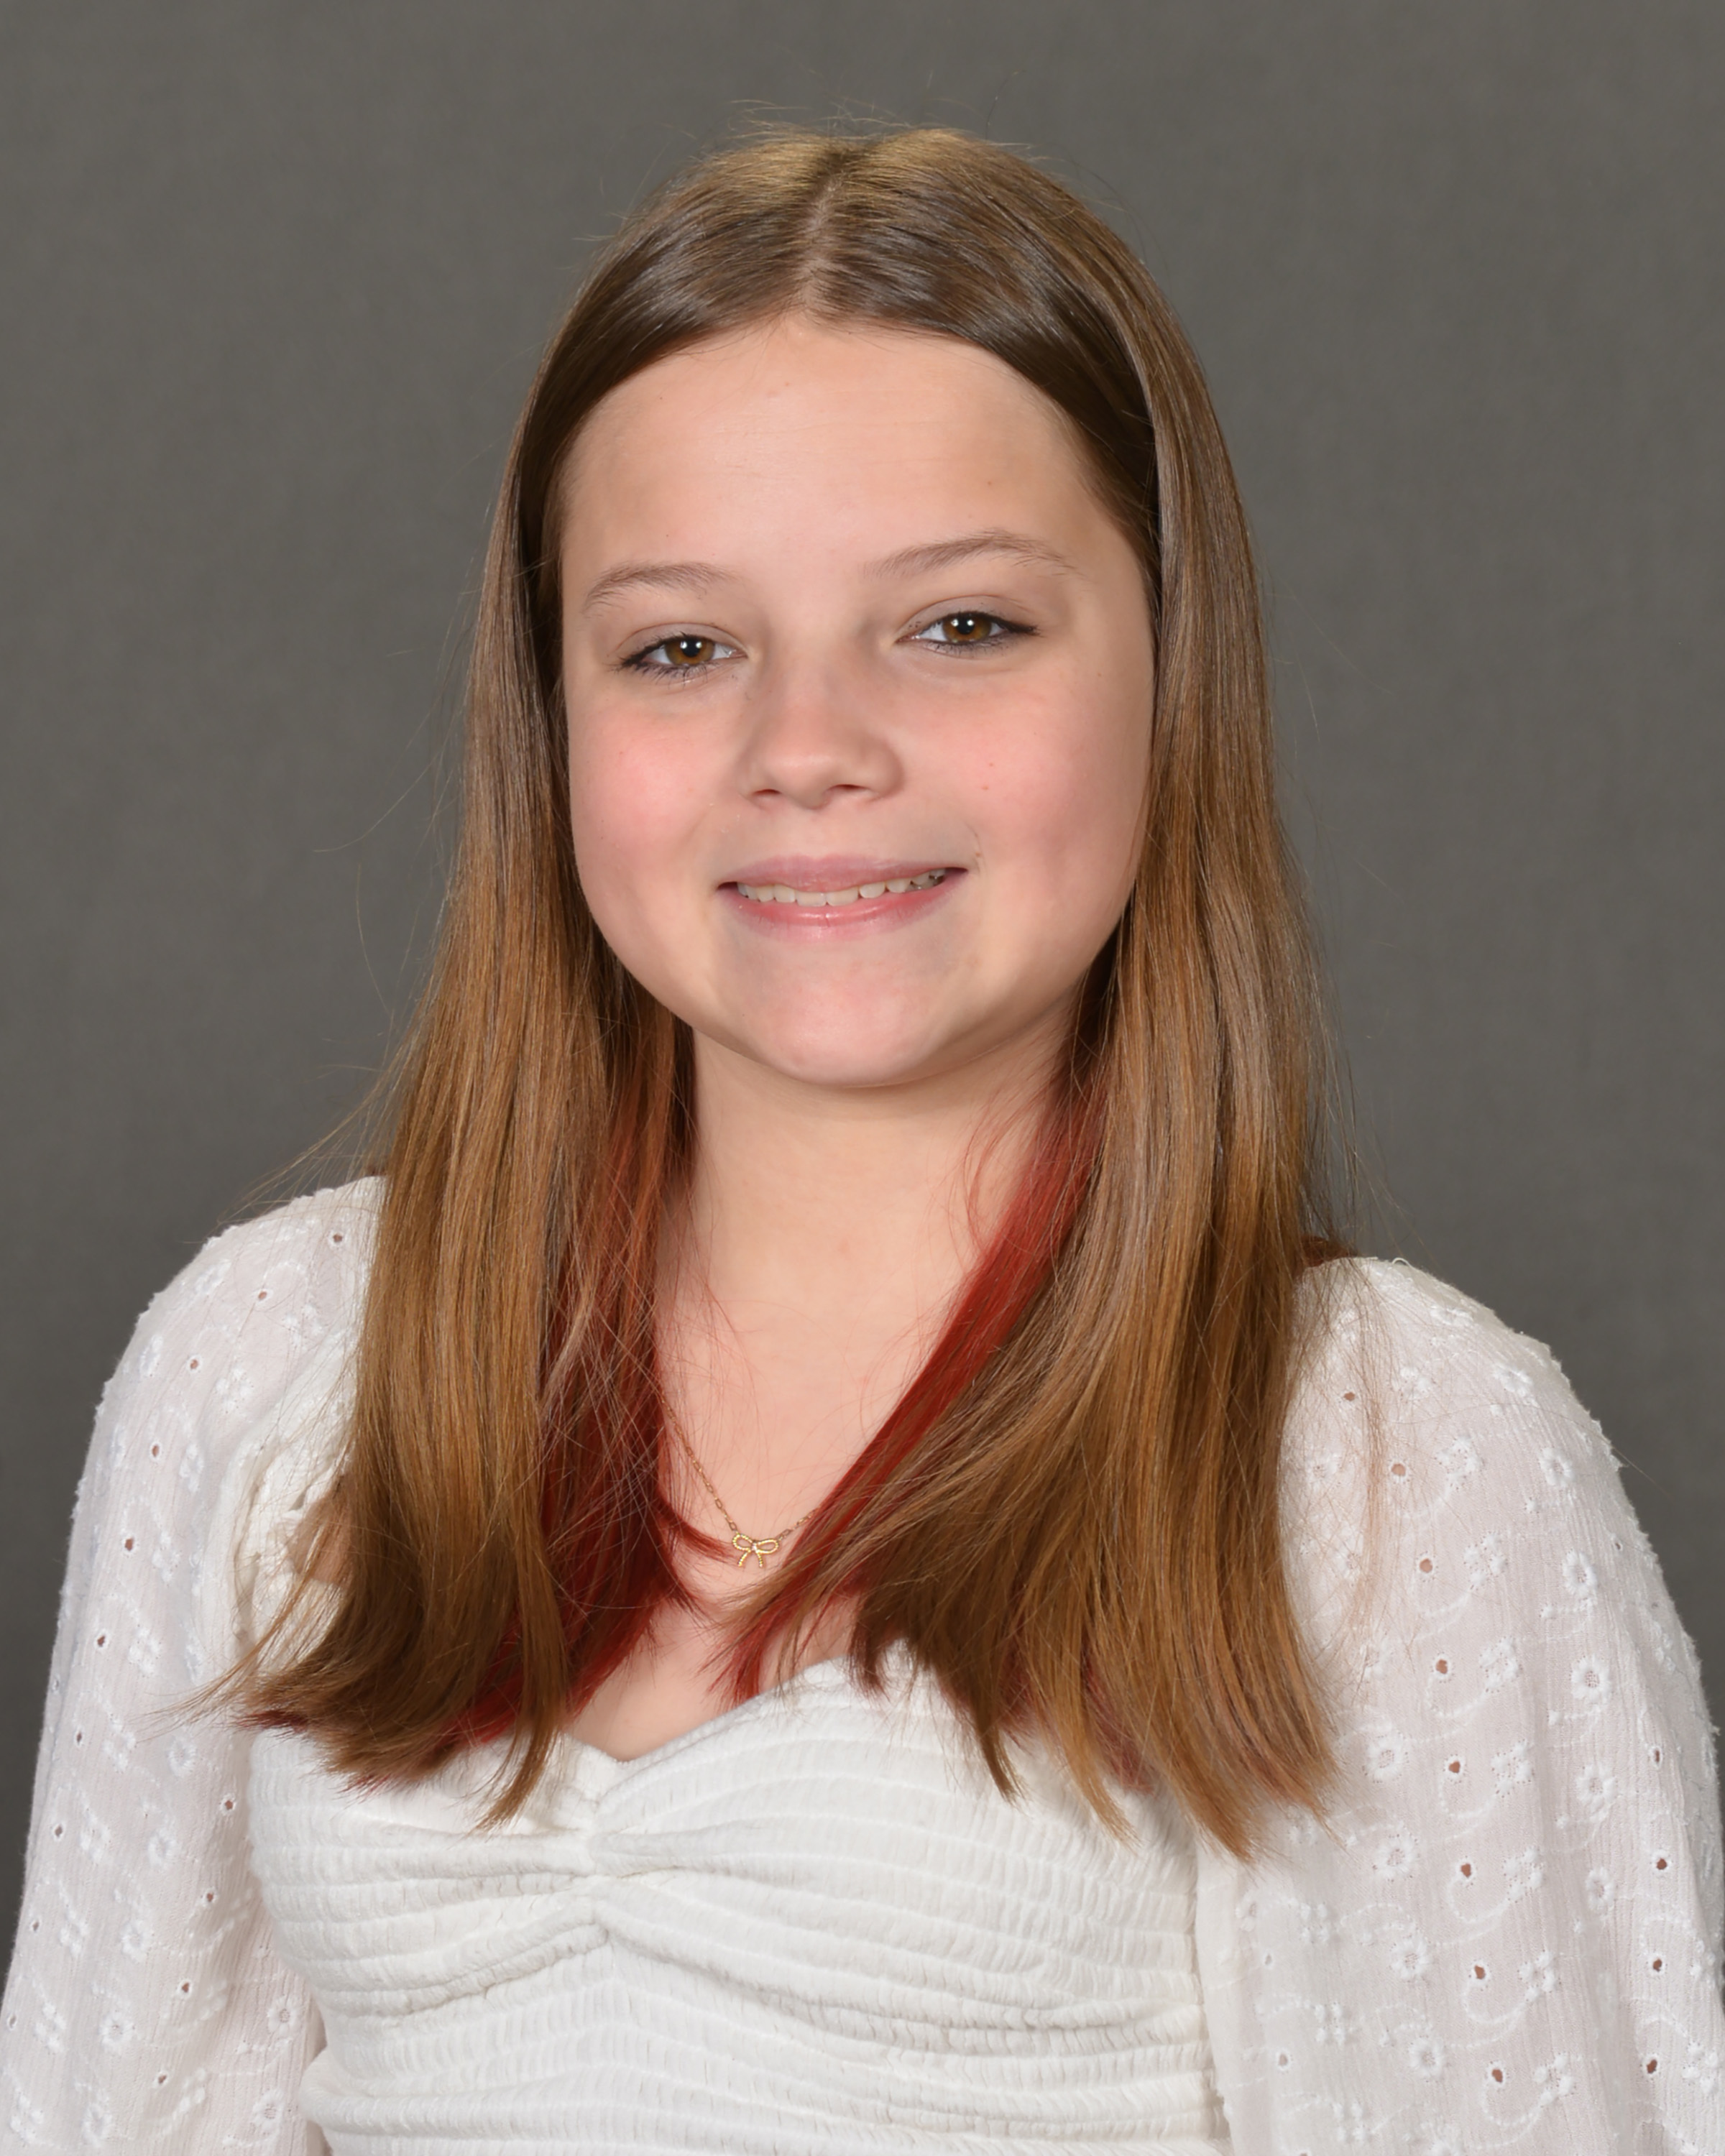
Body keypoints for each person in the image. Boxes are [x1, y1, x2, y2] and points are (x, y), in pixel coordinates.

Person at [2, 126, 1719, 2156]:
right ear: (551, 723)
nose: (808, 748)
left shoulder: (1392, 1459)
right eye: (681, 648)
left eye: (960, 625)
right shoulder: (275, 1361)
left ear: (1171, 674)